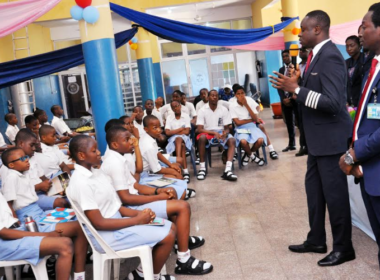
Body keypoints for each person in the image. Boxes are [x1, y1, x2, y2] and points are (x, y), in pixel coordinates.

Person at [269, 10, 355, 266]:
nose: (299, 35)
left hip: (330, 142)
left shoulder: (330, 57)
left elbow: (333, 103)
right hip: (317, 143)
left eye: (303, 30)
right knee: (314, 194)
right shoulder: (314, 58)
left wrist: (296, 89)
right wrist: (295, 89)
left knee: (335, 197)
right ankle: (316, 239)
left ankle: (344, 247)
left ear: (317, 29)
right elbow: (313, 95)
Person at [102, 127, 213, 276]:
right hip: (128, 207)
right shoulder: (113, 162)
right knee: (182, 207)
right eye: (127, 139)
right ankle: (183, 259)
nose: (132, 141)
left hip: (132, 201)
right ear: (115, 144)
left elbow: (135, 185)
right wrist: (156, 197)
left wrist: (158, 191)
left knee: (172, 196)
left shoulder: (119, 158)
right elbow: (126, 198)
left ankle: (181, 242)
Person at [66, 135, 177, 280]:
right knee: (168, 234)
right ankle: (149, 276)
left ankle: (142, 274)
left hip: (118, 224)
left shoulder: (96, 172)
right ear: (81, 155)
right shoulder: (81, 183)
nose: (99, 153)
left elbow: (116, 207)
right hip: (107, 236)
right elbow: (99, 223)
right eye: (94, 151)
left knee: (170, 226)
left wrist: (140, 214)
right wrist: (137, 220)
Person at [1, 147, 88, 280]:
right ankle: (57, 265)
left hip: (36, 213)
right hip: (29, 218)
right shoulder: (11, 177)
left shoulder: (23, 174)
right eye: (23, 158)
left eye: (26, 157)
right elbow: (9, 204)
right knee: (69, 237)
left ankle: (78, 275)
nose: (27, 160)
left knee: (79, 223)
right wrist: (40, 233)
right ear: (11, 165)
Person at [339, 3, 380, 268]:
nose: (360, 33)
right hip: (370, 169)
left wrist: (354, 153)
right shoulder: (372, 65)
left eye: (364, 26)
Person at [0, 191, 74, 280]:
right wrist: (46, 235)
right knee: (65, 245)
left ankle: (79, 276)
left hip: (17, 228)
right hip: (4, 242)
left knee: (76, 227)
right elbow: (4, 233)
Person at [14, 129, 69, 210]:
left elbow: (43, 177)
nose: (34, 148)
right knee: (62, 202)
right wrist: (39, 187)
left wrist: (56, 188)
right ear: (21, 143)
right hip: (31, 197)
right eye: (31, 145)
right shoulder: (13, 163)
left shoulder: (32, 158)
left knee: (70, 194)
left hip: (42, 191)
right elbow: (18, 191)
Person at [196, 90, 238, 181]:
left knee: (232, 140)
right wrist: (214, 133)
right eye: (212, 95)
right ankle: (202, 168)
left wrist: (225, 133)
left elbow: (227, 128)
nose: (214, 97)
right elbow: (199, 129)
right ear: (208, 98)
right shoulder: (202, 110)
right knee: (201, 138)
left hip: (220, 132)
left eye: (216, 96)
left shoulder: (223, 109)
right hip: (207, 132)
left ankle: (228, 169)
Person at [140, 115, 185, 181]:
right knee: (175, 176)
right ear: (146, 129)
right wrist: (174, 172)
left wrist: (170, 164)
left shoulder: (150, 136)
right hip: (144, 175)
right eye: (155, 128)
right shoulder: (148, 145)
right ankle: (180, 186)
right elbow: (156, 170)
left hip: (152, 167)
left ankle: (181, 185)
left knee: (177, 166)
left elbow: (157, 153)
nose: (159, 130)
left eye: (159, 127)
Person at [230, 86, 267, 166]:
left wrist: (246, 104)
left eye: (242, 93)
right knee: (243, 141)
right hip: (240, 128)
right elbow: (238, 123)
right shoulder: (232, 105)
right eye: (238, 94)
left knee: (260, 140)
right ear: (235, 95)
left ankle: (248, 155)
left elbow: (255, 118)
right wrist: (253, 120)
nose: (241, 95)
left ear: (245, 93)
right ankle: (253, 157)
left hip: (252, 126)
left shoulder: (249, 101)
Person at [165, 101, 192, 183]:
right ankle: (186, 171)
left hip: (184, 138)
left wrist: (173, 131)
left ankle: (179, 163)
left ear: (180, 106)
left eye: (177, 106)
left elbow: (187, 132)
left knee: (179, 139)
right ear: (172, 109)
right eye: (173, 107)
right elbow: (167, 132)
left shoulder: (186, 116)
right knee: (181, 144)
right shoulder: (169, 117)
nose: (176, 108)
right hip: (172, 140)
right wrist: (180, 129)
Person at [277, 50, 297, 152]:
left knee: (300, 123)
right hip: (285, 101)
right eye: (283, 56)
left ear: (290, 56)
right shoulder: (281, 70)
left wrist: (291, 97)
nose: (285, 58)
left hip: (295, 100)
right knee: (289, 123)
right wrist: (283, 99)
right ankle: (291, 144)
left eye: (286, 56)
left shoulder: (295, 69)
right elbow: (279, 86)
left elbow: (298, 83)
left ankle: (304, 145)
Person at [295, 48, 310, 157]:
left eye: (304, 51)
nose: (301, 52)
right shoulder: (297, 67)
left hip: (311, 97)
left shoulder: (312, 64)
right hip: (299, 98)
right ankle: (303, 146)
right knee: (301, 124)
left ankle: (310, 146)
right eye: (300, 51)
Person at [345, 35, 365, 107]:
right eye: (347, 46)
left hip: (362, 102)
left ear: (359, 46)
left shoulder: (365, 61)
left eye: (352, 45)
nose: (349, 49)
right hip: (349, 104)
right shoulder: (346, 63)